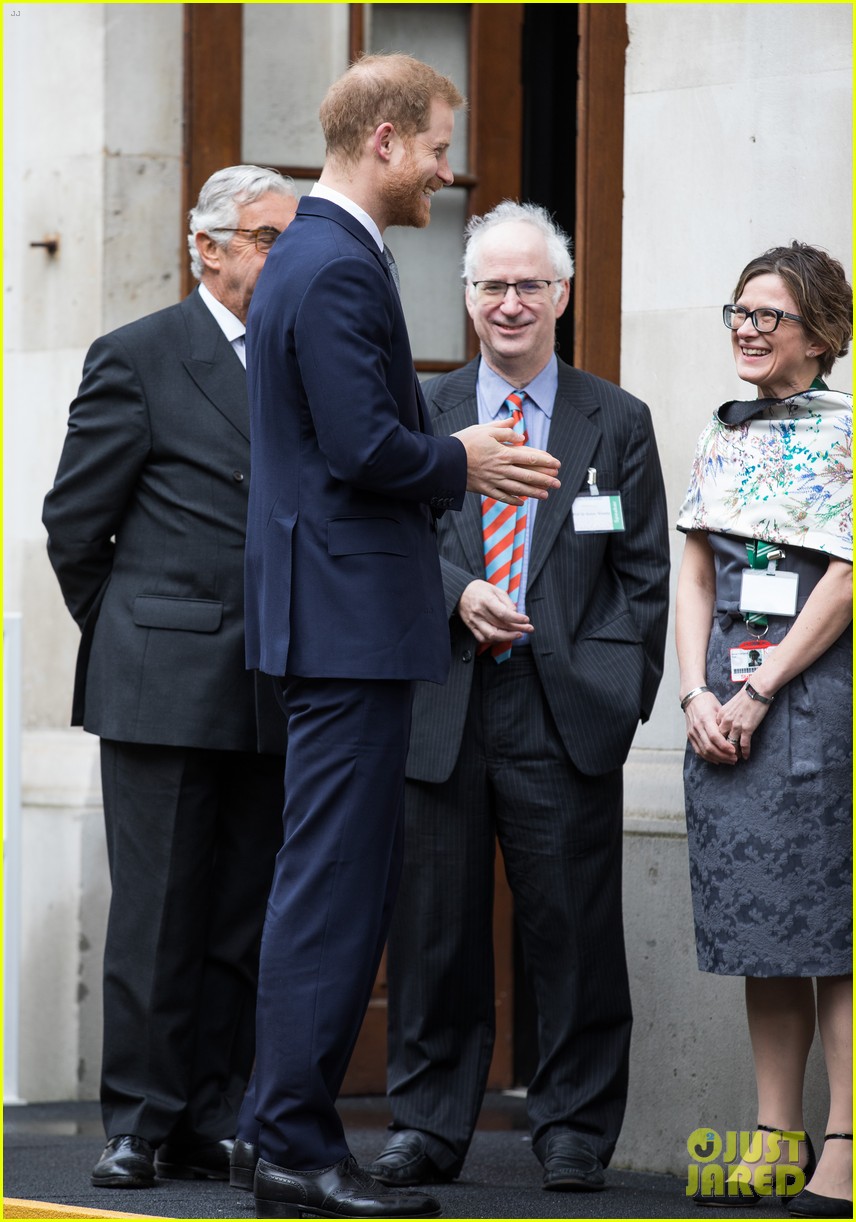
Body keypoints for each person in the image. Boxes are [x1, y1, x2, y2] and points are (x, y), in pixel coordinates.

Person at [240, 57, 562, 1221]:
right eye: (435, 147)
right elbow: (365, 445)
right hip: (347, 624)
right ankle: (289, 1145)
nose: (445, 171)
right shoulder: (329, 262)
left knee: (320, 883)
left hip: (335, 618)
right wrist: (465, 457)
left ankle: (280, 1134)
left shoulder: (321, 255)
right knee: (330, 891)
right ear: (383, 139)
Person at [366, 201, 670, 1194]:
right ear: (464, 298)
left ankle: (574, 1126)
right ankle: (425, 1123)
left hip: (561, 708)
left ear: (562, 296)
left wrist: (614, 688)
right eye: (490, 285)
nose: (508, 303)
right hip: (441, 701)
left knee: (574, 929)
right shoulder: (420, 411)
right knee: (433, 929)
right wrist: (457, 593)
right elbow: (385, 550)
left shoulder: (614, 420)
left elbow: (642, 574)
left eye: (527, 285)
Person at [42, 165, 298, 1189]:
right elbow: (74, 526)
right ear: (209, 248)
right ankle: (138, 1125)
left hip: (274, 678)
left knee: (242, 915)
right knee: (155, 917)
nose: (287, 257)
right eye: (271, 238)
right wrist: (131, 638)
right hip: (161, 680)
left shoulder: (297, 358)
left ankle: (208, 1114)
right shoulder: (139, 356)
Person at [675, 242, 852, 1215]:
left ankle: (844, 1142)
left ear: (820, 334)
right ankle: (774, 1132)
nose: (745, 327)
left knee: (831, 927)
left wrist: (757, 691)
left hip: (815, 694)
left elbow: (846, 576)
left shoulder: (848, 430)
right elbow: (695, 567)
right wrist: (697, 694)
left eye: (766, 315)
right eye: (737, 311)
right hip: (726, 699)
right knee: (760, 918)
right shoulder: (724, 425)